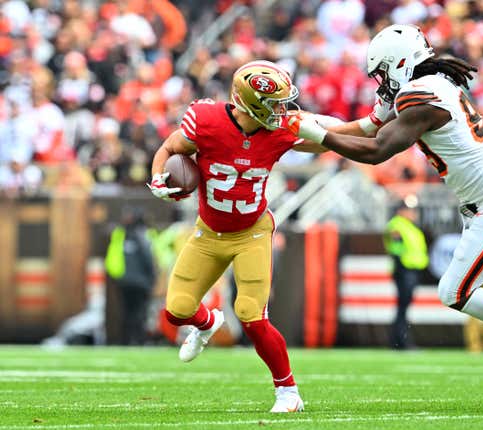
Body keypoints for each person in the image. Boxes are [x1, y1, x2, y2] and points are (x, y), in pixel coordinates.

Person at [287, 24, 483, 409]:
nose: (381, 83)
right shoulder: (428, 85)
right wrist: (302, 128)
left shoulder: (422, 96)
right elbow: (362, 129)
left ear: (400, 63)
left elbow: (375, 150)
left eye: (383, 72)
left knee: (454, 292)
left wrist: (319, 136)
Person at [147, 60, 389, 412]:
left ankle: (288, 392)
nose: (282, 110)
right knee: (177, 310)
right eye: (274, 103)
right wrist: (157, 178)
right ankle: (208, 323)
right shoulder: (205, 119)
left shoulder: (281, 128)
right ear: (251, 102)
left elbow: (331, 134)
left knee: (250, 313)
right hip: (209, 231)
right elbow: (170, 148)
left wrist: (373, 121)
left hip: (252, 232)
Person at [105, 206, 157, 345]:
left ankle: (127, 340)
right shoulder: (145, 235)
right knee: (140, 312)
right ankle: (139, 340)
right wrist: (152, 278)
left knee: (127, 312)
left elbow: (112, 257)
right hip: (141, 282)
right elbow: (148, 258)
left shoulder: (120, 234)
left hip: (124, 280)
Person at [382, 195, 429, 349]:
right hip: (404, 270)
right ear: (401, 210)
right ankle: (400, 342)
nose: (413, 213)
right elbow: (397, 249)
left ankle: (399, 341)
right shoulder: (397, 225)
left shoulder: (410, 226)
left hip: (411, 271)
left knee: (404, 307)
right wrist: (401, 267)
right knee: (402, 308)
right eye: (409, 210)